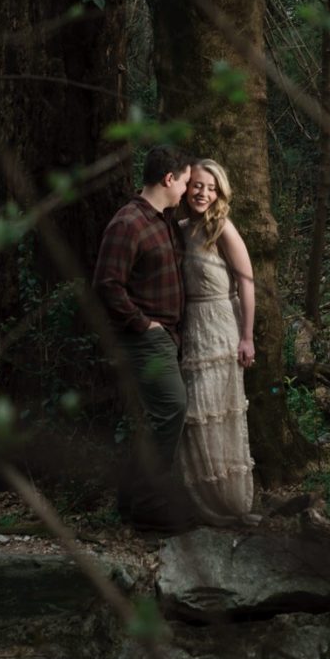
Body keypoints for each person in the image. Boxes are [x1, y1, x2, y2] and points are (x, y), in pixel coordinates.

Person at [93, 144, 193, 528]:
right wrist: (142, 324)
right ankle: (150, 506)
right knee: (172, 409)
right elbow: (106, 284)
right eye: (184, 182)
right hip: (145, 338)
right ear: (169, 179)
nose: (185, 190)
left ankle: (131, 498)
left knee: (160, 415)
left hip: (166, 335)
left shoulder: (162, 220)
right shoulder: (128, 222)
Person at [176, 158, 258, 520]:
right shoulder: (176, 228)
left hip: (222, 325)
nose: (203, 193)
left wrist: (247, 337)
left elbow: (246, 282)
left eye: (211, 188)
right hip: (192, 326)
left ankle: (231, 502)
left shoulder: (221, 227)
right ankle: (203, 502)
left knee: (220, 411)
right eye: (197, 185)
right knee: (196, 413)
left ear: (220, 192)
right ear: (185, 185)